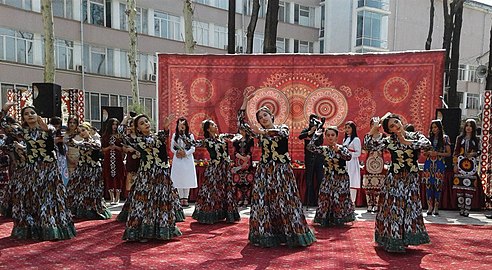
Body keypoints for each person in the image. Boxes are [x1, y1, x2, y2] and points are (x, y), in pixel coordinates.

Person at [240, 92, 316, 247]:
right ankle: (267, 234)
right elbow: (241, 125)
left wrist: (263, 132)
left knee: (286, 201)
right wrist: (245, 102)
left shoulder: (283, 128)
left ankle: (293, 234)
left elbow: (281, 134)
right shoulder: (259, 133)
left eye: (265, 115)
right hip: (264, 172)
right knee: (264, 202)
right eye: (260, 118)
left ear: (271, 116)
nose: (263, 119)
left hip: (282, 171)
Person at [0, 102, 76, 241]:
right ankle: (33, 228)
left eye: (32, 113)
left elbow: (54, 134)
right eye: (26, 114)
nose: (29, 115)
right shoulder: (22, 132)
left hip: (48, 169)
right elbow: (3, 125)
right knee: (31, 199)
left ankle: (51, 228)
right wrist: (5, 109)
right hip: (31, 170)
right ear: (23, 118)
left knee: (48, 199)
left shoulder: (49, 128)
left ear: (37, 115)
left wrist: (45, 127)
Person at [365, 113, 430, 252]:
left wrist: (407, 142)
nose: (396, 126)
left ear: (401, 121)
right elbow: (369, 145)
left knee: (409, 208)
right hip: (394, 179)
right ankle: (394, 239)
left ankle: (407, 238)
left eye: (396, 122)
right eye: (392, 126)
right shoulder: (388, 141)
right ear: (390, 130)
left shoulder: (415, 135)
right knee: (394, 208)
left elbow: (427, 144)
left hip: (411, 179)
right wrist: (374, 129)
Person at [122, 114, 182, 242]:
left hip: (161, 174)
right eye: (142, 123)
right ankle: (142, 232)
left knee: (160, 202)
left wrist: (166, 127)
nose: (146, 124)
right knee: (144, 203)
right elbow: (124, 137)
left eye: (147, 121)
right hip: (147, 176)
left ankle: (161, 231)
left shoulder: (156, 136)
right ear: (138, 128)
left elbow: (161, 140)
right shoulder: (138, 140)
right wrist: (125, 122)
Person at [192, 119, 240, 224]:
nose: (216, 126)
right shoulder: (207, 141)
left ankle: (225, 214)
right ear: (208, 129)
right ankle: (209, 215)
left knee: (225, 189)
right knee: (212, 190)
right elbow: (193, 143)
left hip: (224, 168)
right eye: (213, 125)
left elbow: (238, 136)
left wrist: (234, 139)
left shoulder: (222, 137)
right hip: (214, 168)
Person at [308, 125, 355, 226]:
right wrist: (315, 135)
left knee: (340, 199)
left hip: (341, 178)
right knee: (325, 197)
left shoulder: (343, 148)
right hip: (328, 177)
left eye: (332, 135)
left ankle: (339, 219)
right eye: (328, 135)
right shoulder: (324, 149)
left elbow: (348, 157)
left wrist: (338, 150)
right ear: (325, 137)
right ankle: (325, 219)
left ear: (337, 137)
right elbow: (310, 147)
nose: (330, 137)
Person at [66, 122, 111, 219]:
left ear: (89, 130)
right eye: (79, 132)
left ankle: (93, 210)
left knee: (92, 190)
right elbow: (69, 142)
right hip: (82, 168)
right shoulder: (79, 142)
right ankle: (78, 209)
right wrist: (72, 136)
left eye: (83, 130)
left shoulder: (95, 139)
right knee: (74, 188)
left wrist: (79, 143)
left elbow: (96, 146)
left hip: (93, 168)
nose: (81, 133)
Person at [422, 120, 451, 216]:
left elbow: (448, 153)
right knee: (428, 185)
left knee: (438, 185)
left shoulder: (445, 138)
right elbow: (424, 153)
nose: (434, 129)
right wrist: (428, 153)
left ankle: (436, 207)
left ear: (439, 127)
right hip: (429, 163)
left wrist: (437, 153)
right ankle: (430, 206)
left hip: (439, 163)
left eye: (436, 127)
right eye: (432, 127)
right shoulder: (428, 138)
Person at [452, 119, 481, 217]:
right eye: (467, 125)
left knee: (469, 188)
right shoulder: (460, 138)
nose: (468, 127)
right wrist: (455, 164)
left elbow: (479, 151)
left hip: (471, 166)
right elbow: (455, 152)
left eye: (470, 126)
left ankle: (467, 209)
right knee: (460, 188)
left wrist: (474, 153)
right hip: (460, 165)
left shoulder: (476, 139)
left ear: (473, 128)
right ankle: (461, 207)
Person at [170, 117, 197, 207]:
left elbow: (193, 148)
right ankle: (180, 198)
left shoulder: (190, 136)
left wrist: (185, 153)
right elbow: (172, 148)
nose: (182, 127)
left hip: (187, 159)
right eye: (180, 125)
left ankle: (186, 198)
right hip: (178, 159)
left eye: (183, 125)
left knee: (187, 178)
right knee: (179, 178)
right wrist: (177, 152)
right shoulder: (175, 136)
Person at [298, 114, 324, 207]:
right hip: (309, 158)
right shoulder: (306, 130)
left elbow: (319, 142)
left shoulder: (320, 129)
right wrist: (310, 133)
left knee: (320, 178)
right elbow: (300, 136)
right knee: (309, 180)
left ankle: (320, 200)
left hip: (319, 158)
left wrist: (314, 135)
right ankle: (310, 201)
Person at [362, 118, 386, 213]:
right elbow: (365, 147)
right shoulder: (367, 136)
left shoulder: (383, 136)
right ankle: (369, 204)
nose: (374, 126)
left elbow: (385, 149)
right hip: (369, 161)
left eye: (376, 124)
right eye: (372, 124)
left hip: (379, 161)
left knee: (378, 184)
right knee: (368, 184)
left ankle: (376, 204)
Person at [101, 118, 126, 205]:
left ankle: (118, 196)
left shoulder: (120, 136)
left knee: (119, 176)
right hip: (108, 158)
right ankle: (112, 197)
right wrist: (109, 148)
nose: (114, 126)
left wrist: (116, 147)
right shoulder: (105, 136)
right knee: (109, 176)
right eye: (113, 124)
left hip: (118, 158)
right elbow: (103, 149)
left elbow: (123, 148)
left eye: (116, 124)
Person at [231, 126, 254, 206]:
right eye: (240, 129)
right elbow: (235, 152)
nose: (242, 131)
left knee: (247, 181)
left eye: (243, 130)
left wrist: (246, 160)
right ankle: (240, 199)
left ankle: (247, 199)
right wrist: (242, 158)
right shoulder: (236, 140)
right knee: (239, 181)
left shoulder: (250, 140)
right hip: (238, 162)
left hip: (247, 163)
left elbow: (250, 151)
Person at [343, 121, 362, 204]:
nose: (347, 129)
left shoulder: (356, 139)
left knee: (352, 181)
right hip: (345, 162)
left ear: (353, 129)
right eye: (346, 128)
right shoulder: (345, 139)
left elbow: (358, 153)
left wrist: (349, 154)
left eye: (349, 128)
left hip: (352, 163)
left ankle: (352, 202)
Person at [50, 117, 70, 185]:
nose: (56, 126)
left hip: (62, 159)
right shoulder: (48, 134)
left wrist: (64, 141)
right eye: (55, 124)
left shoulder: (61, 133)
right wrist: (54, 141)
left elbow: (66, 148)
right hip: (53, 157)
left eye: (58, 124)